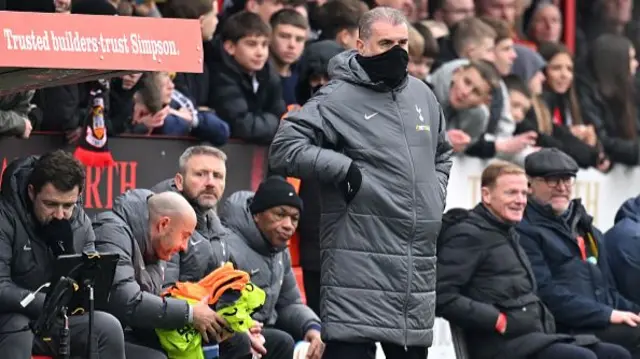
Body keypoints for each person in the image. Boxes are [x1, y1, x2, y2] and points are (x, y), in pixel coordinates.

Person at [269, 7, 452, 359]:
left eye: (403, 43)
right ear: (361, 45)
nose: (397, 51)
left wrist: (435, 190)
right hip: (358, 259)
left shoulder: (423, 95)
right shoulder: (335, 97)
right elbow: (284, 148)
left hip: (415, 268)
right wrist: (344, 169)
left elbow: (443, 152)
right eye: (385, 43)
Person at [437, 160, 630, 359]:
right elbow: (442, 296)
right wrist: (496, 320)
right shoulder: (468, 234)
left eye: (523, 193)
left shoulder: (508, 232)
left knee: (615, 354)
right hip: (499, 345)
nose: (520, 200)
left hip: (534, 337)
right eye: (511, 193)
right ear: (486, 195)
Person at [0, 150, 126, 359]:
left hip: (54, 318)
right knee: (17, 327)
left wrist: (66, 253)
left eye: (68, 205)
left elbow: (89, 287)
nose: (60, 215)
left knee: (106, 327)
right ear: (32, 193)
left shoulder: (80, 223)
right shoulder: (5, 217)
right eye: (50, 204)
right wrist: (48, 303)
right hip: (10, 318)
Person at [93, 190, 247, 359]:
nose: (185, 247)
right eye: (185, 236)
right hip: (105, 334)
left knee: (234, 340)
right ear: (163, 225)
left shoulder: (158, 245)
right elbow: (126, 300)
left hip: (139, 327)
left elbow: (162, 296)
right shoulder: (111, 232)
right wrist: (190, 313)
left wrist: (216, 315)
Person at [517, 148, 640, 358]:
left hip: (597, 321)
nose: (561, 188)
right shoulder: (524, 230)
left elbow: (608, 290)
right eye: (552, 181)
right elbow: (546, 294)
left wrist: (634, 311)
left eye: (567, 180)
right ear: (530, 185)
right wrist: (607, 315)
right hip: (562, 327)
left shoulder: (587, 229)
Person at [219, 177, 324, 359]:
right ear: (257, 215)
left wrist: (312, 327)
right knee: (282, 341)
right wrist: (245, 329)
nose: (288, 225)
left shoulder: (281, 252)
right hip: (232, 335)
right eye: (280, 214)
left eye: (294, 218)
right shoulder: (226, 245)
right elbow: (219, 306)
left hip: (263, 333)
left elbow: (289, 303)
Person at [150, 146, 232, 287]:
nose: (210, 183)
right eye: (200, 174)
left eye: (218, 176)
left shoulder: (217, 228)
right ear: (179, 181)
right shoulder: (163, 221)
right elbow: (164, 295)